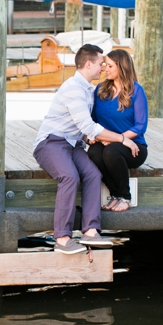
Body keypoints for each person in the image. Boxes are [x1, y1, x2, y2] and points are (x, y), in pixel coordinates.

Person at [33, 44, 129, 255]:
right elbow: (88, 126)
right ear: (88, 64)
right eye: (100, 63)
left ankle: (91, 231)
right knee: (69, 177)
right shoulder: (73, 89)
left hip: (73, 143)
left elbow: (83, 128)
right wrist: (122, 139)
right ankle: (62, 238)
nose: (103, 68)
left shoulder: (88, 89)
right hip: (50, 143)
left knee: (93, 174)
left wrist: (92, 138)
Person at [88, 49, 149, 213]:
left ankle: (125, 197)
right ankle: (115, 194)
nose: (105, 69)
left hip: (133, 147)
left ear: (121, 67)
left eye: (109, 66)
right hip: (105, 141)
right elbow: (93, 120)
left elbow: (140, 126)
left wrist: (118, 138)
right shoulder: (101, 89)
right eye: (104, 65)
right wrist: (98, 138)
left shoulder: (136, 91)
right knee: (93, 153)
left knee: (111, 152)